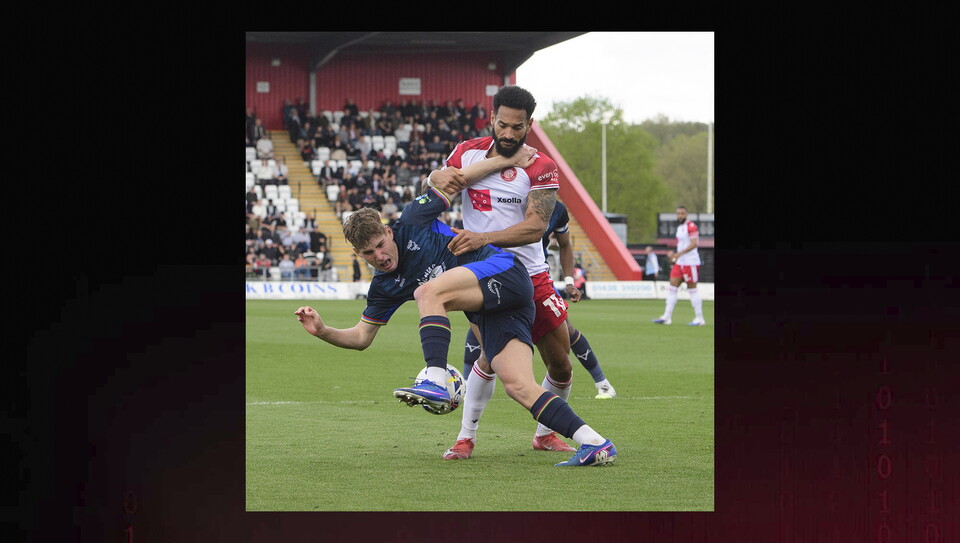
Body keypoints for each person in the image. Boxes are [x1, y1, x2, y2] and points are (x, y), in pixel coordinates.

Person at [294, 188, 616, 467]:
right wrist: (323, 330)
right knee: (518, 386)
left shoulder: (411, 221)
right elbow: (362, 337)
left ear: (388, 232)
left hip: (505, 272)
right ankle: (595, 443)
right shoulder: (384, 286)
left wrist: (495, 158)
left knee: (427, 291)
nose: (380, 256)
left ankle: (435, 377)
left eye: (381, 244)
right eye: (369, 253)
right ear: (357, 254)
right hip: (491, 309)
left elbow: (453, 178)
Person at [427, 85, 594, 459]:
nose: (507, 134)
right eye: (502, 124)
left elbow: (535, 227)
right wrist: (493, 164)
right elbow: (441, 181)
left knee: (561, 365)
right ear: (492, 119)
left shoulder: (542, 166)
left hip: (532, 275)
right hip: (484, 274)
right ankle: (465, 437)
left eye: (516, 128)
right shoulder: (468, 152)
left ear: (529, 125)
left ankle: (545, 433)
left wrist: (480, 237)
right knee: (490, 358)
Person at [653, 206, 706, 326]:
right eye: (678, 214)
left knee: (692, 289)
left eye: (682, 213)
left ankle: (699, 318)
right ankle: (667, 317)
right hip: (680, 262)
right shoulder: (680, 228)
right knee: (672, 287)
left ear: (686, 214)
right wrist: (675, 254)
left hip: (690, 262)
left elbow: (694, 244)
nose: (680, 216)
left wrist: (678, 254)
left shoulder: (691, 226)